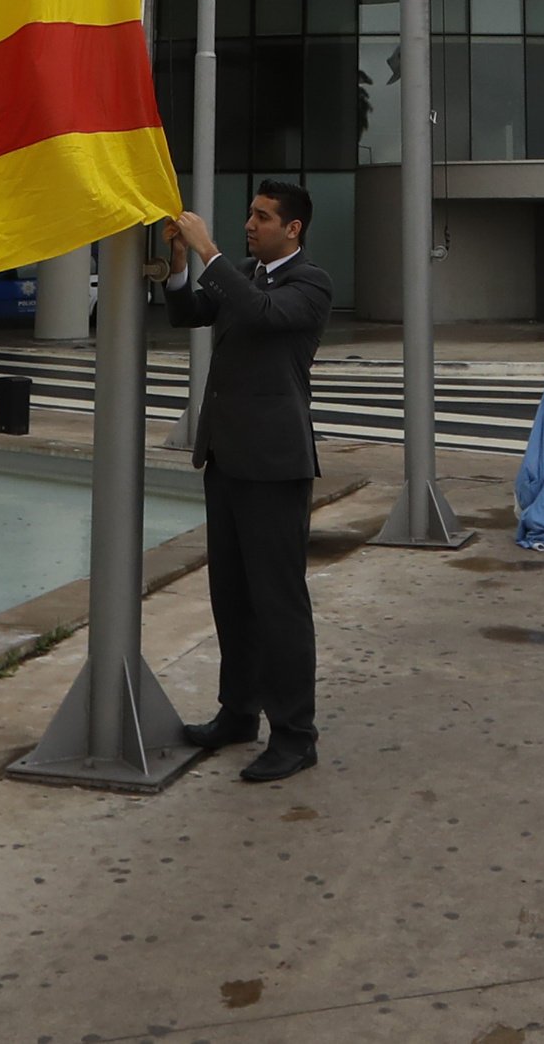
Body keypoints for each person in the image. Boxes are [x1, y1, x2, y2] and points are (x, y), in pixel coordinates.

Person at [162, 182, 333, 783]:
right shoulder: (244, 275)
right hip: (228, 458)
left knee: (278, 603)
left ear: (294, 230)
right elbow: (190, 311)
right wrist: (182, 265)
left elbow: (260, 317)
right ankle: (238, 712)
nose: (249, 225)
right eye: (249, 215)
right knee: (231, 598)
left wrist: (206, 250)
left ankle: (295, 734)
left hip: (275, 465)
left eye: (263, 217)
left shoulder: (307, 284)